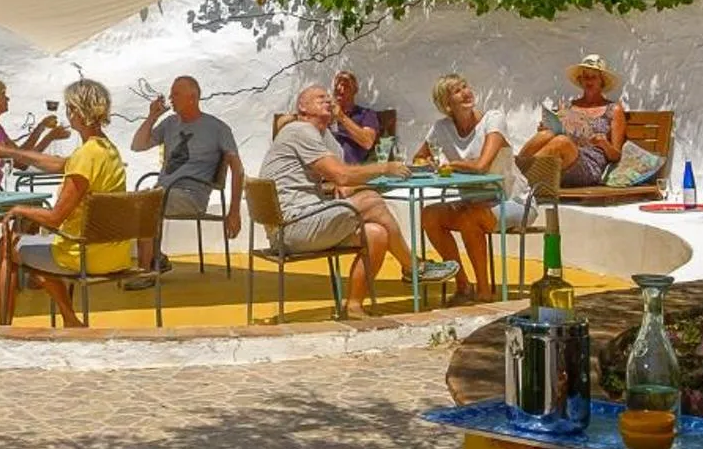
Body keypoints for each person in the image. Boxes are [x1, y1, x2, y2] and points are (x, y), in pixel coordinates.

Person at [259, 84, 458, 315]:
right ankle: (413, 267)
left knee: (376, 234)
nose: (328, 100)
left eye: (328, 98)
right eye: (320, 98)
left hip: (307, 219)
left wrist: (340, 120)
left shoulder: (322, 134)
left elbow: (342, 176)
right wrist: (383, 168)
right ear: (302, 107)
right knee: (372, 200)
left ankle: (353, 306)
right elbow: (342, 175)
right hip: (290, 227)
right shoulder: (300, 130)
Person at [0, 79, 130, 327]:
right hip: (115, 253)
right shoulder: (107, 149)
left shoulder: (85, 155)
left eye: (69, 108)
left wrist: (19, 209)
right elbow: (61, 164)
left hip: (84, 255)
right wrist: (9, 152)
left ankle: (6, 327)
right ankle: (69, 319)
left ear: (77, 112)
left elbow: (55, 218)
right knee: (34, 245)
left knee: (7, 245)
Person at [418, 73, 534, 303]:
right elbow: (419, 157)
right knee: (429, 215)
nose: (466, 92)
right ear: (447, 105)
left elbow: (482, 166)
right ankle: (462, 284)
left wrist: (452, 165)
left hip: (513, 201)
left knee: (471, 218)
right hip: (471, 202)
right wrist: (428, 163)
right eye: (457, 91)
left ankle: (484, 291)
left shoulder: (493, 120)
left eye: (465, 86)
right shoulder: (441, 128)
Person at [126, 75, 243, 278]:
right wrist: (152, 116)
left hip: (191, 196)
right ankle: (155, 259)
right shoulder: (170, 123)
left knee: (148, 202)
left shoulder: (218, 128)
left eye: (176, 94)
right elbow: (137, 145)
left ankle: (145, 272)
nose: (171, 98)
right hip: (164, 192)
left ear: (192, 97)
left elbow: (238, 170)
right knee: (139, 201)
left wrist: (234, 211)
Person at [520, 52, 629, 189]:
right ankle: (517, 171)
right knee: (546, 134)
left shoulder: (614, 110)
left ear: (601, 81)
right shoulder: (569, 107)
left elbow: (616, 156)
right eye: (585, 77)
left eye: (593, 77)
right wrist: (548, 126)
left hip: (590, 166)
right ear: (580, 80)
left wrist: (604, 144)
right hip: (563, 159)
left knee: (562, 142)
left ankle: (521, 180)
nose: (589, 81)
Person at [327, 70, 383, 164]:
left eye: (345, 86)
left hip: (347, 165)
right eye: (337, 86)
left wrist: (341, 116)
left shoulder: (366, 114)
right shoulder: (327, 112)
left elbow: (367, 142)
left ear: (354, 90)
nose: (339, 89)